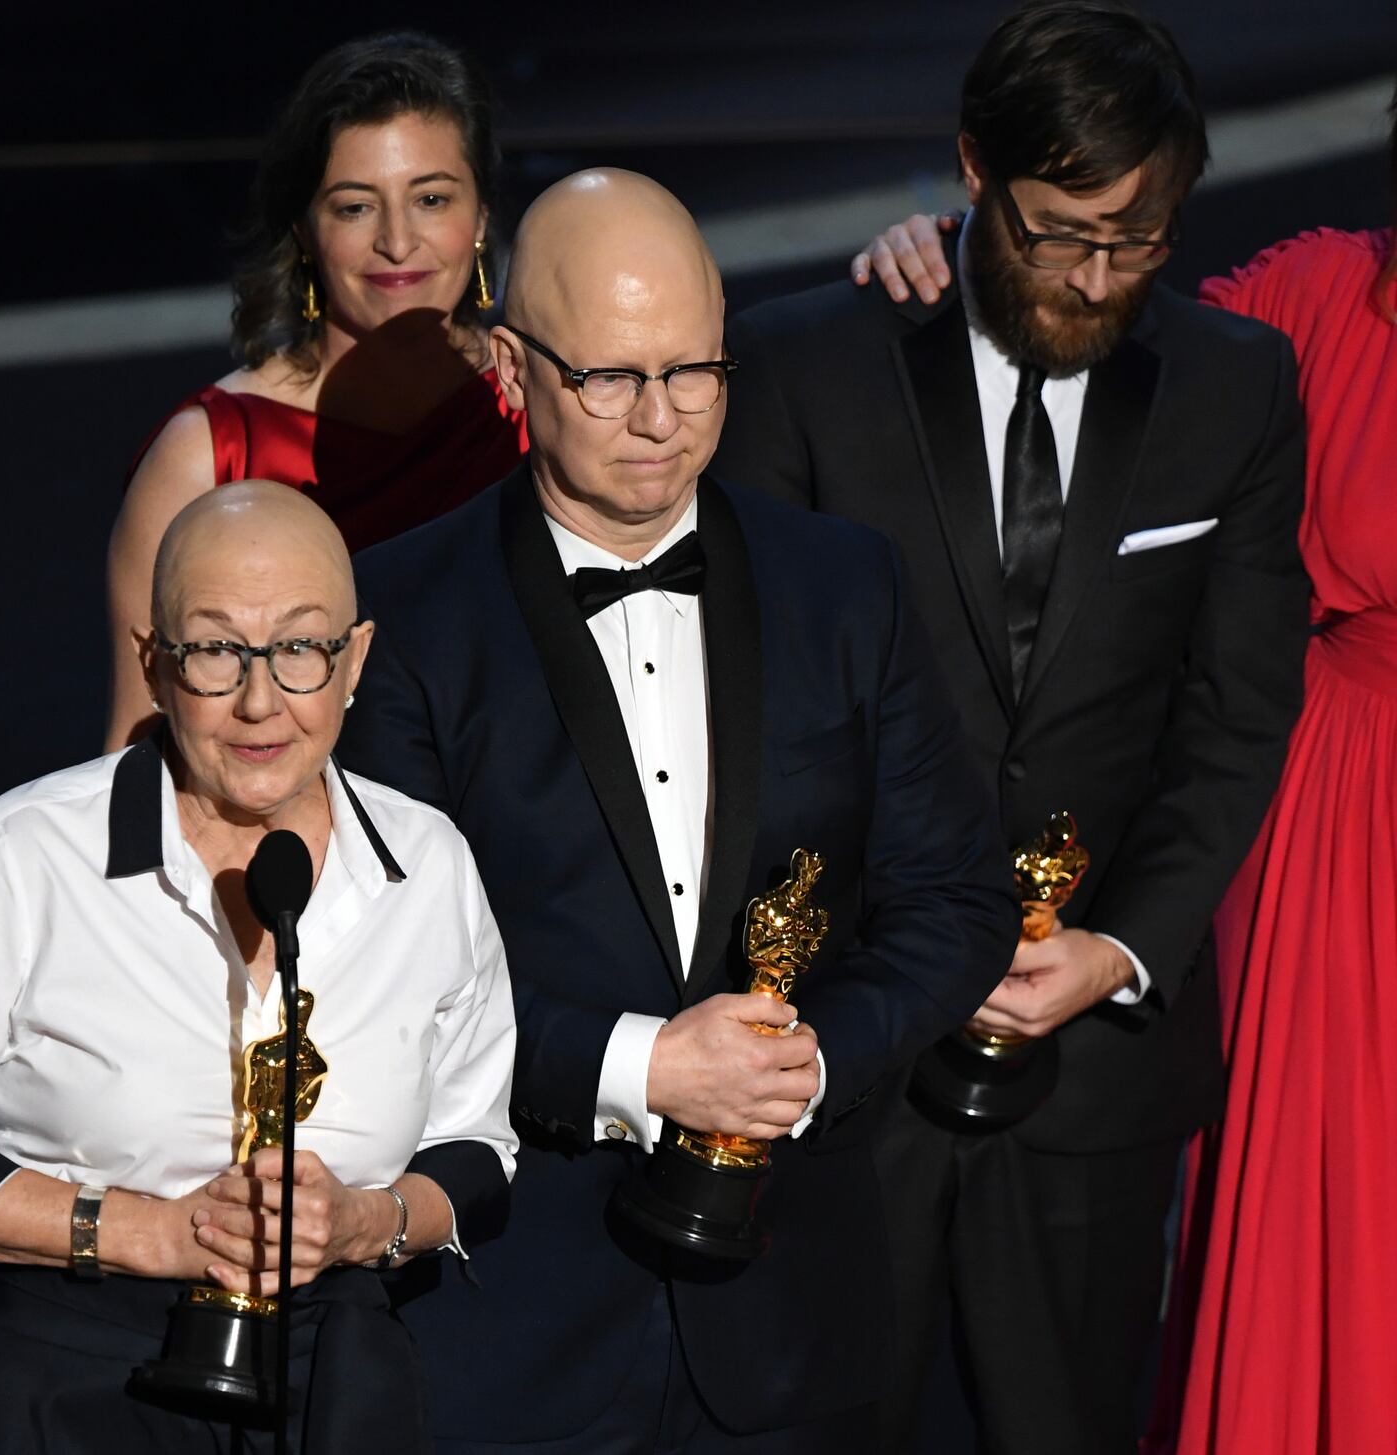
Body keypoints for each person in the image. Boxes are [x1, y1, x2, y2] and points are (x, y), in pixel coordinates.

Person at [333, 166, 1020, 1453]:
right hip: (507, 1334)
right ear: (508, 368)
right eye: (609, 378)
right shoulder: (403, 621)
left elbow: (958, 898)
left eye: (693, 372)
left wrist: (802, 1063)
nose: (660, 420)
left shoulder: (844, 582)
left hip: (794, 1329)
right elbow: (377, 975)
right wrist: (644, 1066)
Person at [713, 5, 1309, 1452]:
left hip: (1094, 1076)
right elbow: (763, 710)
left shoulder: (1236, 387)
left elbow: (1237, 711)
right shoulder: (811, 367)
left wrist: (1118, 948)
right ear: (972, 169)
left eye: (1139, 235)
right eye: (1058, 233)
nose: (1096, 275)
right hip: (852, 1056)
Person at [853, 70, 1397, 1455]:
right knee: (1324, 1235)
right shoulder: (1329, 294)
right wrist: (948, 260)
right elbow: (1096, 323)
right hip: (1332, 836)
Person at [0, 481, 517, 1453]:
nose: (260, 699)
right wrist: (150, 1232)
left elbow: (478, 1149)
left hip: (334, 1391)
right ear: (154, 665)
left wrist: (365, 1223)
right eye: (216, 651)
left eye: (300, 648)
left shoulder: (428, 859)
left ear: (354, 659)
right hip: (64, 1392)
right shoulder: (25, 852)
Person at [106, 31, 527, 750]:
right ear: (304, 230)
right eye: (356, 207)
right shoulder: (209, 455)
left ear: (481, 217)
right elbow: (138, 742)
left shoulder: (541, 404)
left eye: (430, 198)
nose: (398, 242)